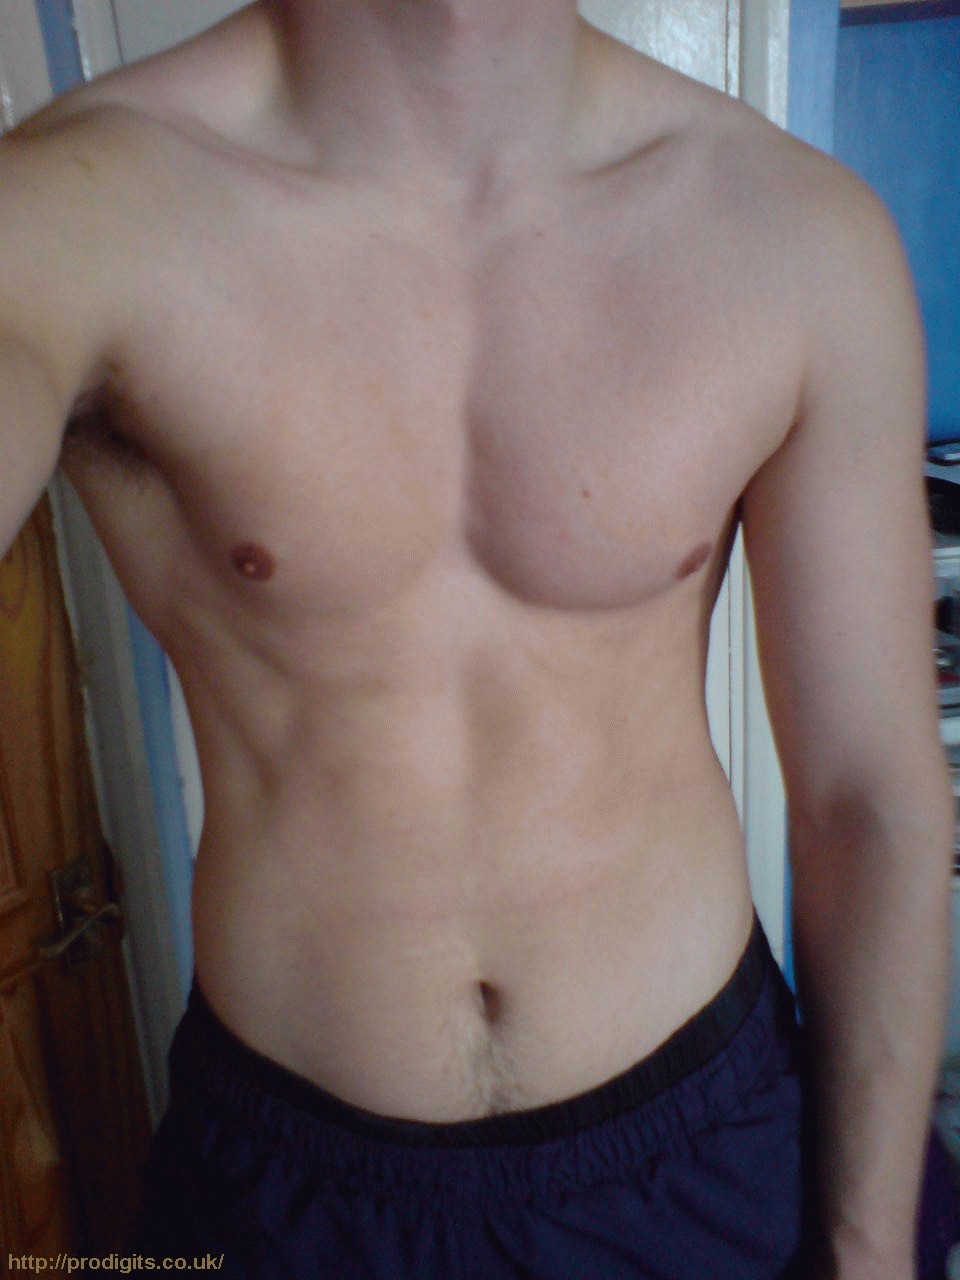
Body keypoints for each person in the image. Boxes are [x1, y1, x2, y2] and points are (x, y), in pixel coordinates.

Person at [0, 1, 953, 1276]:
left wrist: (869, 1242)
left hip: (699, 1147)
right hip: (288, 1186)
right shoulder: (70, 216)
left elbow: (868, 795)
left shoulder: (798, 235)